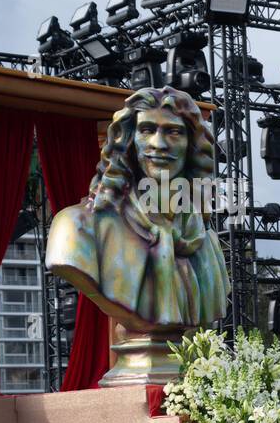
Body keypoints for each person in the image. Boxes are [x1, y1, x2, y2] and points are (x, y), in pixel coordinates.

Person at [45, 86, 229, 333]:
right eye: (147, 130)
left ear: (192, 146)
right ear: (128, 142)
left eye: (174, 132)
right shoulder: (77, 228)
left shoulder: (207, 243)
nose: (159, 144)